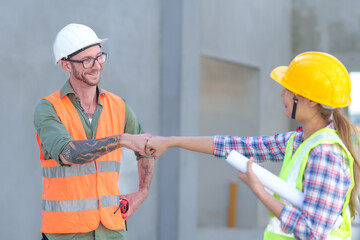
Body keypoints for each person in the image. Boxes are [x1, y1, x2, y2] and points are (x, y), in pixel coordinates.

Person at [146, 52, 360, 239]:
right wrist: (171, 141)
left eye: (288, 89)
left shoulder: (326, 154)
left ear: (311, 100)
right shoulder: (298, 141)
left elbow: (313, 232)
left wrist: (260, 191)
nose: (282, 94)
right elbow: (234, 146)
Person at [34, 23, 154, 240]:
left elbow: (145, 146)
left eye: (99, 56)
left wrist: (142, 192)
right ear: (65, 65)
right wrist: (121, 140)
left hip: (111, 231)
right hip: (65, 234)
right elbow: (68, 154)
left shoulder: (119, 106)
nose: (96, 65)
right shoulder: (49, 108)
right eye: (86, 60)